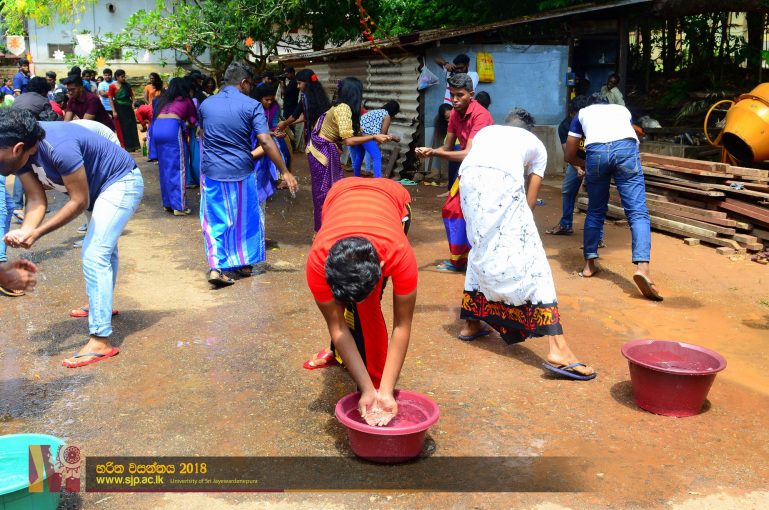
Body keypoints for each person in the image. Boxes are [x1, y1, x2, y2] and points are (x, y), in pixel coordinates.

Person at [456, 111, 596, 380]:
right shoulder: (536, 145)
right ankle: (558, 349)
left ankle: (471, 322)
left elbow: (471, 158)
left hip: (467, 182)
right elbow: (530, 201)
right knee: (534, 261)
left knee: (481, 246)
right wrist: (519, 235)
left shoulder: (487, 132)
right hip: (502, 182)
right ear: (529, 130)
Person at [0, 108, 144, 368]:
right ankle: (101, 305)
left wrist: (38, 232)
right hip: (96, 189)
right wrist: (26, 230)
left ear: (17, 148)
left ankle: (100, 342)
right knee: (104, 249)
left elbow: (78, 201)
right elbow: (36, 198)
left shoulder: (58, 147)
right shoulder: (22, 153)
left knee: (95, 253)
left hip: (120, 181)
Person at [304, 177, 417, 425]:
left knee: (368, 307)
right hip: (339, 195)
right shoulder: (317, 261)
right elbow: (336, 325)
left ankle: (375, 378)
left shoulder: (399, 254)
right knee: (340, 310)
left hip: (393, 197)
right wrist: (365, 390)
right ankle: (338, 353)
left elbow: (402, 325)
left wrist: (383, 390)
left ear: (383, 267)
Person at [198, 61, 298, 286]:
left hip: (212, 171)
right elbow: (266, 140)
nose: (251, 88)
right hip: (241, 170)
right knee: (245, 218)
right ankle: (243, 264)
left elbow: (203, 135)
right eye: (250, 84)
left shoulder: (206, 104)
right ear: (243, 83)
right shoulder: (252, 105)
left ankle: (216, 267)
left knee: (214, 220)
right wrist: (284, 171)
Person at [565, 93, 661, 301]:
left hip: (596, 152)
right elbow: (632, 133)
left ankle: (589, 265)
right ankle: (643, 268)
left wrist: (583, 165)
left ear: (590, 105)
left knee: (595, 210)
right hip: (626, 150)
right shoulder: (621, 110)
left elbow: (569, 154)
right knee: (637, 213)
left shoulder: (582, 114)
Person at [415, 73, 493, 272]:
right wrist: (430, 150)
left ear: (471, 95)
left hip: (488, 172)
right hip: (469, 170)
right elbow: (448, 147)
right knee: (453, 210)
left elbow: (468, 153)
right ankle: (461, 260)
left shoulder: (481, 115)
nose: (455, 100)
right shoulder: (455, 115)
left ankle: (478, 260)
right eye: (452, 95)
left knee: (480, 216)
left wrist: (434, 153)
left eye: (460, 95)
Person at [305, 77, 396, 232]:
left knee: (332, 189)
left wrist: (380, 136)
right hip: (320, 152)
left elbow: (355, 133)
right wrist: (374, 137)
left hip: (324, 149)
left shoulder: (345, 108)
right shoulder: (343, 109)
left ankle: (329, 226)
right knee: (323, 192)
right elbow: (349, 141)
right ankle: (320, 231)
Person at [547, 95, 590, 236]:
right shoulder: (565, 126)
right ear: (571, 113)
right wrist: (578, 168)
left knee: (595, 194)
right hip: (576, 160)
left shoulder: (593, 123)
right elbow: (568, 153)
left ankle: (597, 235)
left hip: (595, 161)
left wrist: (589, 167)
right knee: (567, 191)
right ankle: (566, 224)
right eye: (575, 115)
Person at [153, 77, 197, 215]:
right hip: (172, 129)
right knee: (178, 167)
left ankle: (168, 204)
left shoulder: (163, 100)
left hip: (157, 129)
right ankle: (179, 206)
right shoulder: (186, 100)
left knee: (165, 168)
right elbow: (193, 120)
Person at [277, 69, 330, 154]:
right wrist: (287, 123)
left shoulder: (305, 98)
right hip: (324, 134)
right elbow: (305, 117)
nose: (298, 86)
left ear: (307, 83)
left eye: (299, 83)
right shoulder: (320, 96)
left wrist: (284, 123)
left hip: (317, 135)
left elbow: (295, 116)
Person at [349, 100, 400, 178]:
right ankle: (378, 179)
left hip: (358, 133)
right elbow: (383, 134)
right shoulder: (387, 116)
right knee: (377, 156)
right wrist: (394, 138)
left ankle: (356, 177)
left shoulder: (376, 111)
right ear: (394, 111)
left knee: (359, 155)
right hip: (367, 135)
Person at [107, 70, 140, 152]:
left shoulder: (127, 85)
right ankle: (126, 146)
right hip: (119, 108)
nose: (124, 78)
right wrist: (114, 111)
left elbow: (132, 95)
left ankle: (134, 145)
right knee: (123, 127)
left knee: (131, 125)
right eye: (122, 76)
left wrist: (133, 103)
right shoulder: (112, 86)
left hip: (128, 107)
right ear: (117, 77)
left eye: (124, 76)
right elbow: (110, 99)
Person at [279, 67, 298, 132]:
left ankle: (292, 137)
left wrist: (282, 83)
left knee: (289, 125)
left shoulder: (293, 82)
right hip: (291, 105)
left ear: (292, 73)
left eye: (287, 74)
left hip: (290, 106)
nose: (286, 76)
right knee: (289, 125)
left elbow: (284, 92)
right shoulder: (292, 81)